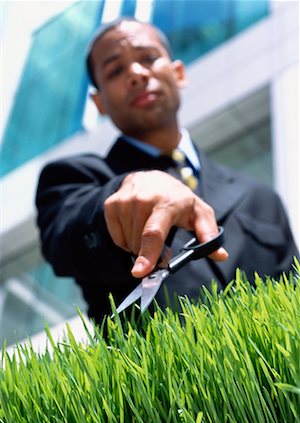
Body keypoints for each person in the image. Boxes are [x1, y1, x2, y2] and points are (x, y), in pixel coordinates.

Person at [36, 17, 299, 324]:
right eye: (115, 70)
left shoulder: (261, 197)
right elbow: (66, 240)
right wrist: (127, 190)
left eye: (148, 58)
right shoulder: (72, 179)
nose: (136, 73)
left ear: (178, 73)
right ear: (99, 103)